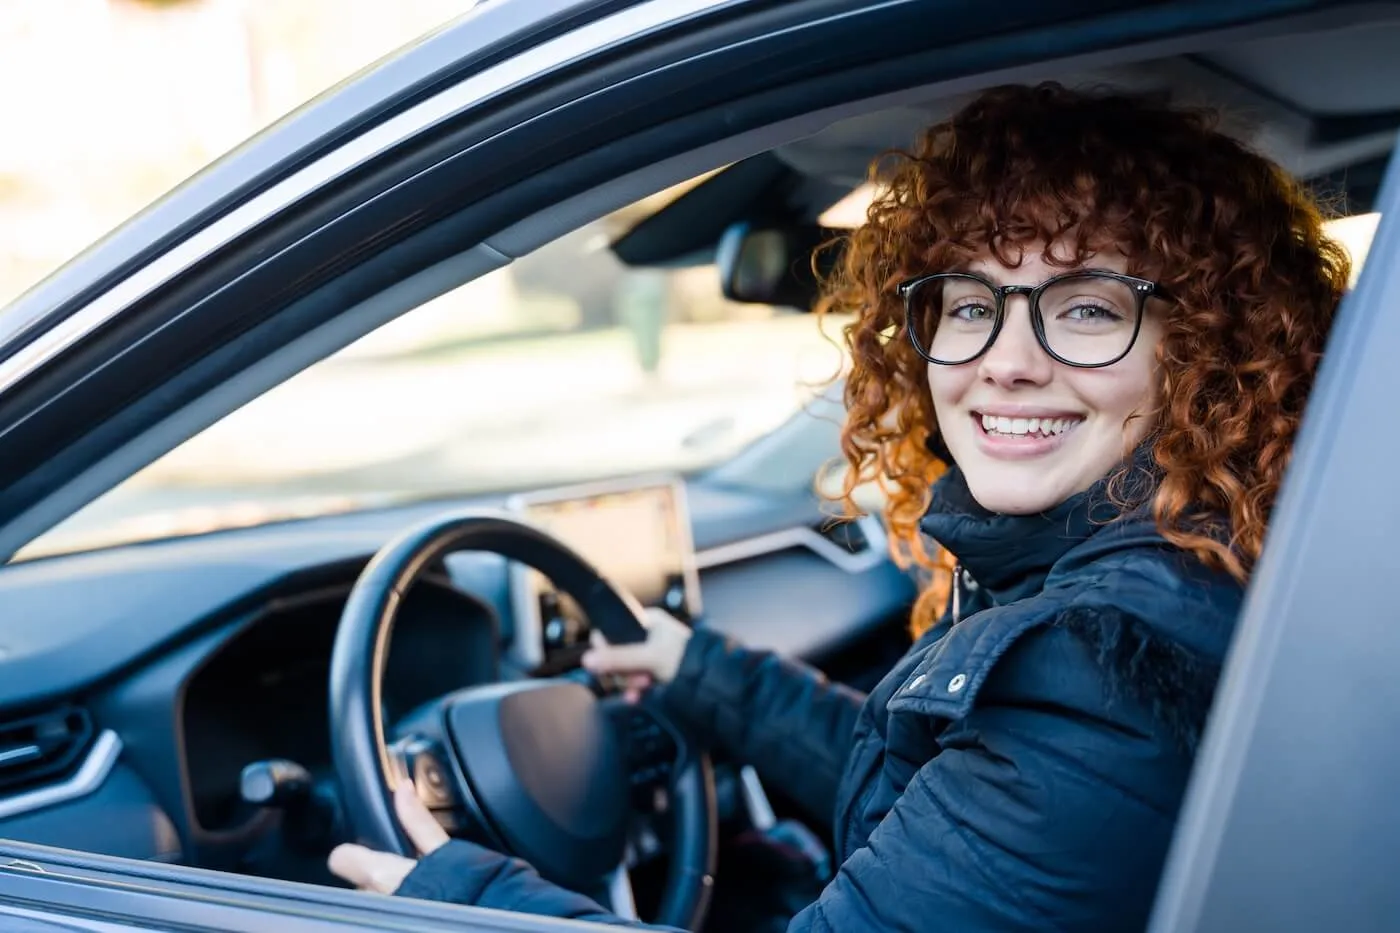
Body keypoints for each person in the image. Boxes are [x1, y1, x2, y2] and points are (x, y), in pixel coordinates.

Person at [326, 82, 1348, 930]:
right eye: (972, 304)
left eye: (1086, 309)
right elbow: (945, 790)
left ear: (1206, 354)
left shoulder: (1103, 664)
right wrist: (700, 675)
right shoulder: (1175, 563)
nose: (1006, 362)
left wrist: (460, 898)